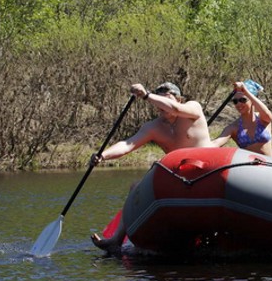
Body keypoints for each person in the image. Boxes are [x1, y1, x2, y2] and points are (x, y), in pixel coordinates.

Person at [90, 81, 213, 255]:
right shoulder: (154, 127)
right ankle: (116, 241)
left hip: (208, 171)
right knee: (135, 187)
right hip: (178, 176)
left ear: (179, 99)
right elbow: (127, 144)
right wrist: (103, 155)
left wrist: (147, 95)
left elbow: (175, 109)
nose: (160, 104)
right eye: (158, 100)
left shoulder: (192, 108)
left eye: (166, 98)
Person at [211, 80, 272, 157]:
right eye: (235, 101)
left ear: (252, 100)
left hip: (271, 167)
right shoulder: (234, 128)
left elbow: (268, 115)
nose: (238, 104)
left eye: (243, 100)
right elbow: (215, 143)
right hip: (251, 168)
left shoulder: (263, 119)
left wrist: (246, 91)